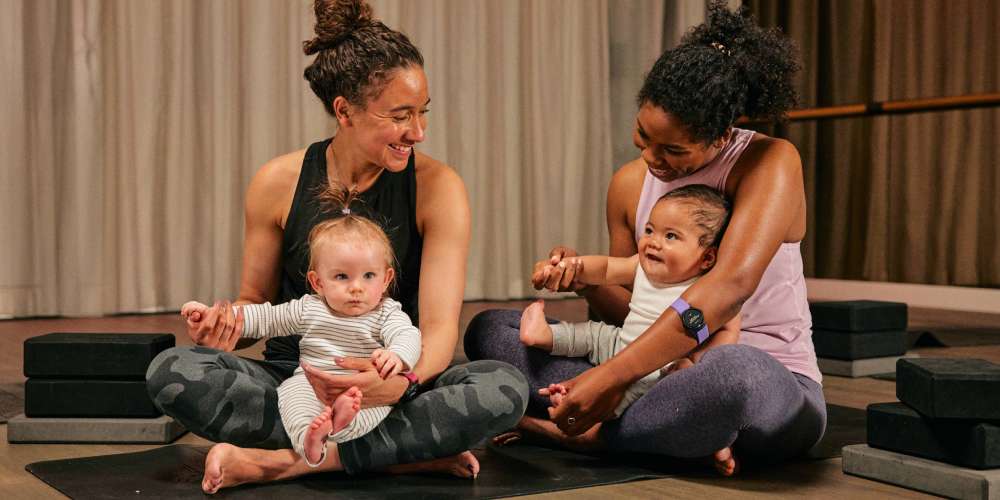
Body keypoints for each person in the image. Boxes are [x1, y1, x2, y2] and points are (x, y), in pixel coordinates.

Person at [146, 0, 528, 493]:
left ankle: (289, 462)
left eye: (422, 113)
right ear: (345, 110)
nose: (418, 132)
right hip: (296, 383)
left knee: (503, 388)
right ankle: (398, 457)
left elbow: (436, 333)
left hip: (398, 384)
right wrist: (227, 325)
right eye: (400, 116)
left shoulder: (440, 188)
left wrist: (395, 383)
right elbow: (254, 303)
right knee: (172, 371)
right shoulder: (277, 181)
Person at [465, 1, 825, 477]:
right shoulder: (629, 184)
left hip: (763, 378)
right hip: (651, 376)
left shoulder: (769, 163)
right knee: (491, 331)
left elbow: (725, 291)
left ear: (720, 137)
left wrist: (611, 379)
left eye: (674, 150)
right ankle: (672, 435)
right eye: (642, 135)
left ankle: (573, 433)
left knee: (736, 377)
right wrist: (586, 281)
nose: (653, 158)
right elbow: (630, 311)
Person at [182, 206, 424, 470]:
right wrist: (214, 316)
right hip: (310, 382)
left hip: (361, 390)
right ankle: (310, 440)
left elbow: (408, 335)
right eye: (342, 276)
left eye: (369, 276)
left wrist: (397, 356)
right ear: (318, 282)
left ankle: (339, 427)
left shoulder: (386, 313)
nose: (356, 287)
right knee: (291, 396)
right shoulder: (309, 308)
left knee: (373, 410)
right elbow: (265, 317)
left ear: (386, 279)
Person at [519, 185, 740, 419]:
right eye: (649, 230)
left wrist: (693, 362)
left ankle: (579, 408)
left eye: (671, 236)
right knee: (595, 334)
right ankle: (545, 336)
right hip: (619, 345)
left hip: (661, 369)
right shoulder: (641, 267)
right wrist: (572, 267)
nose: (653, 242)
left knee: (638, 396)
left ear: (707, 257)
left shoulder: (708, 289)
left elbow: (728, 331)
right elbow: (605, 268)